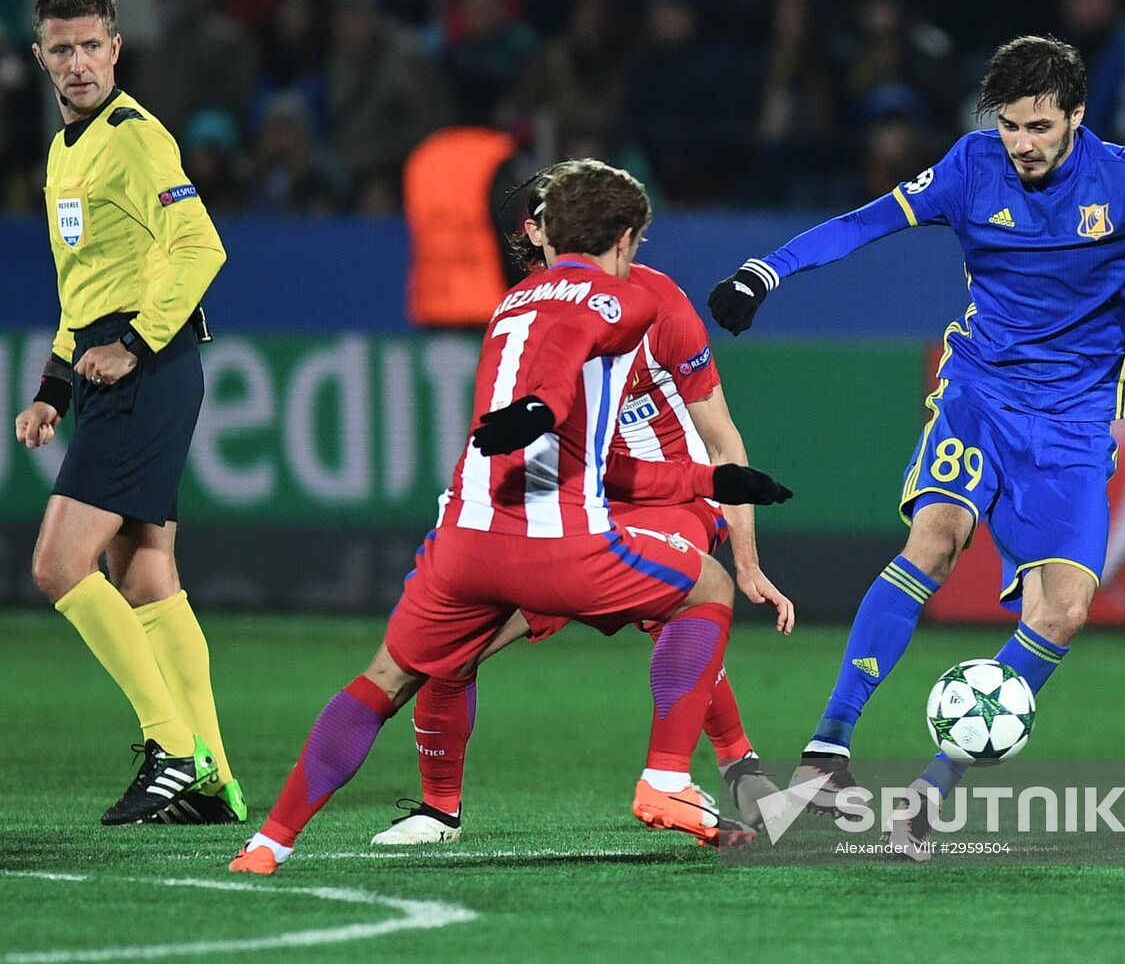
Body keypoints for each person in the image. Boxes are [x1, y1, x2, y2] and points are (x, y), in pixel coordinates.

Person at [708, 35, 1125, 821]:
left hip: (1073, 421)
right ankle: (827, 752)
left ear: (1076, 115)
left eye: (1039, 127)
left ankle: (931, 791)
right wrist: (763, 272)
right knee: (932, 539)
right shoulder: (969, 166)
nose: (1021, 144)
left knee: (1063, 612)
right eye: (1010, 126)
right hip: (978, 393)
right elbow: (862, 223)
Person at [230, 159, 793, 875]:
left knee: (391, 675)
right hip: (569, 524)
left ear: (545, 233)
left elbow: (629, 419)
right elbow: (574, 345)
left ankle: (268, 843)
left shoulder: (514, 303)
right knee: (701, 592)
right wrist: (545, 407)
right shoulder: (628, 301)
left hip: (491, 530)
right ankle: (655, 780)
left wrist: (711, 488)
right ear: (624, 237)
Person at [371, 176, 795, 845]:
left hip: (671, 495)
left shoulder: (658, 302)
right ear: (534, 233)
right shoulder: (522, 311)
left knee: (679, 606)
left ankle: (726, 772)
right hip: (572, 506)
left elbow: (721, 441)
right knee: (453, 647)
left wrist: (745, 561)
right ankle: (438, 809)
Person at [16, 0, 243, 826]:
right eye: (61, 49)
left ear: (116, 49)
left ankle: (172, 748)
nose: (77, 62)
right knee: (144, 575)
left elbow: (199, 246)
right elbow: (84, 285)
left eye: (90, 46)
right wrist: (54, 385)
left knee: (56, 565)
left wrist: (137, 345)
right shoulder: (64, 151)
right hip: (112, 365)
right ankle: (213, 779)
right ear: (39, 58)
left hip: (146, 369)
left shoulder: (136, 137)